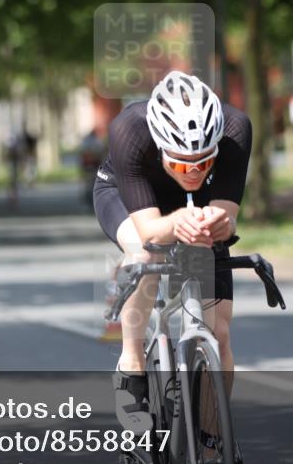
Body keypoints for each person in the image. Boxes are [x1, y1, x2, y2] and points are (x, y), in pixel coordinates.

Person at [92, 71, 252, 433]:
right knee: (147, 253)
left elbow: (227, 217)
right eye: (181, 164)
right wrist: (179, 220)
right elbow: (150, 230)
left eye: (203, 163)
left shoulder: (235, 130)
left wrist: (218, 223)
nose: (193, 173)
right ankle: (131, 364)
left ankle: (212, 438)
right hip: (125, 195)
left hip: (192, 208)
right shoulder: (128, 130)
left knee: (221, 333)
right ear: (163, 147)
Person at [78, 128, 106, 205]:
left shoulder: (85, 141)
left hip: (88, 165)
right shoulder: (97, 141)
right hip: (94, 164)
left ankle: (87, 195)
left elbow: (82, 154)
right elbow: (101, 153)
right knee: (93, 180)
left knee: (87, 181)